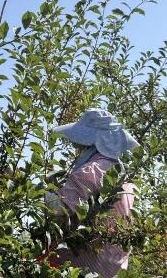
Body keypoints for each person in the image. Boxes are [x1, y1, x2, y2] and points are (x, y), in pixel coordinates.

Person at [44, 109, 139, 278]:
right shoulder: (121, 174)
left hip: (84, 263)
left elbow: (60, 207)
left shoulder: (92, 170)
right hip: (112, 266)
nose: (76, 147)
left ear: (91, 143)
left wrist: (34, 192)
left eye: (79, 143)